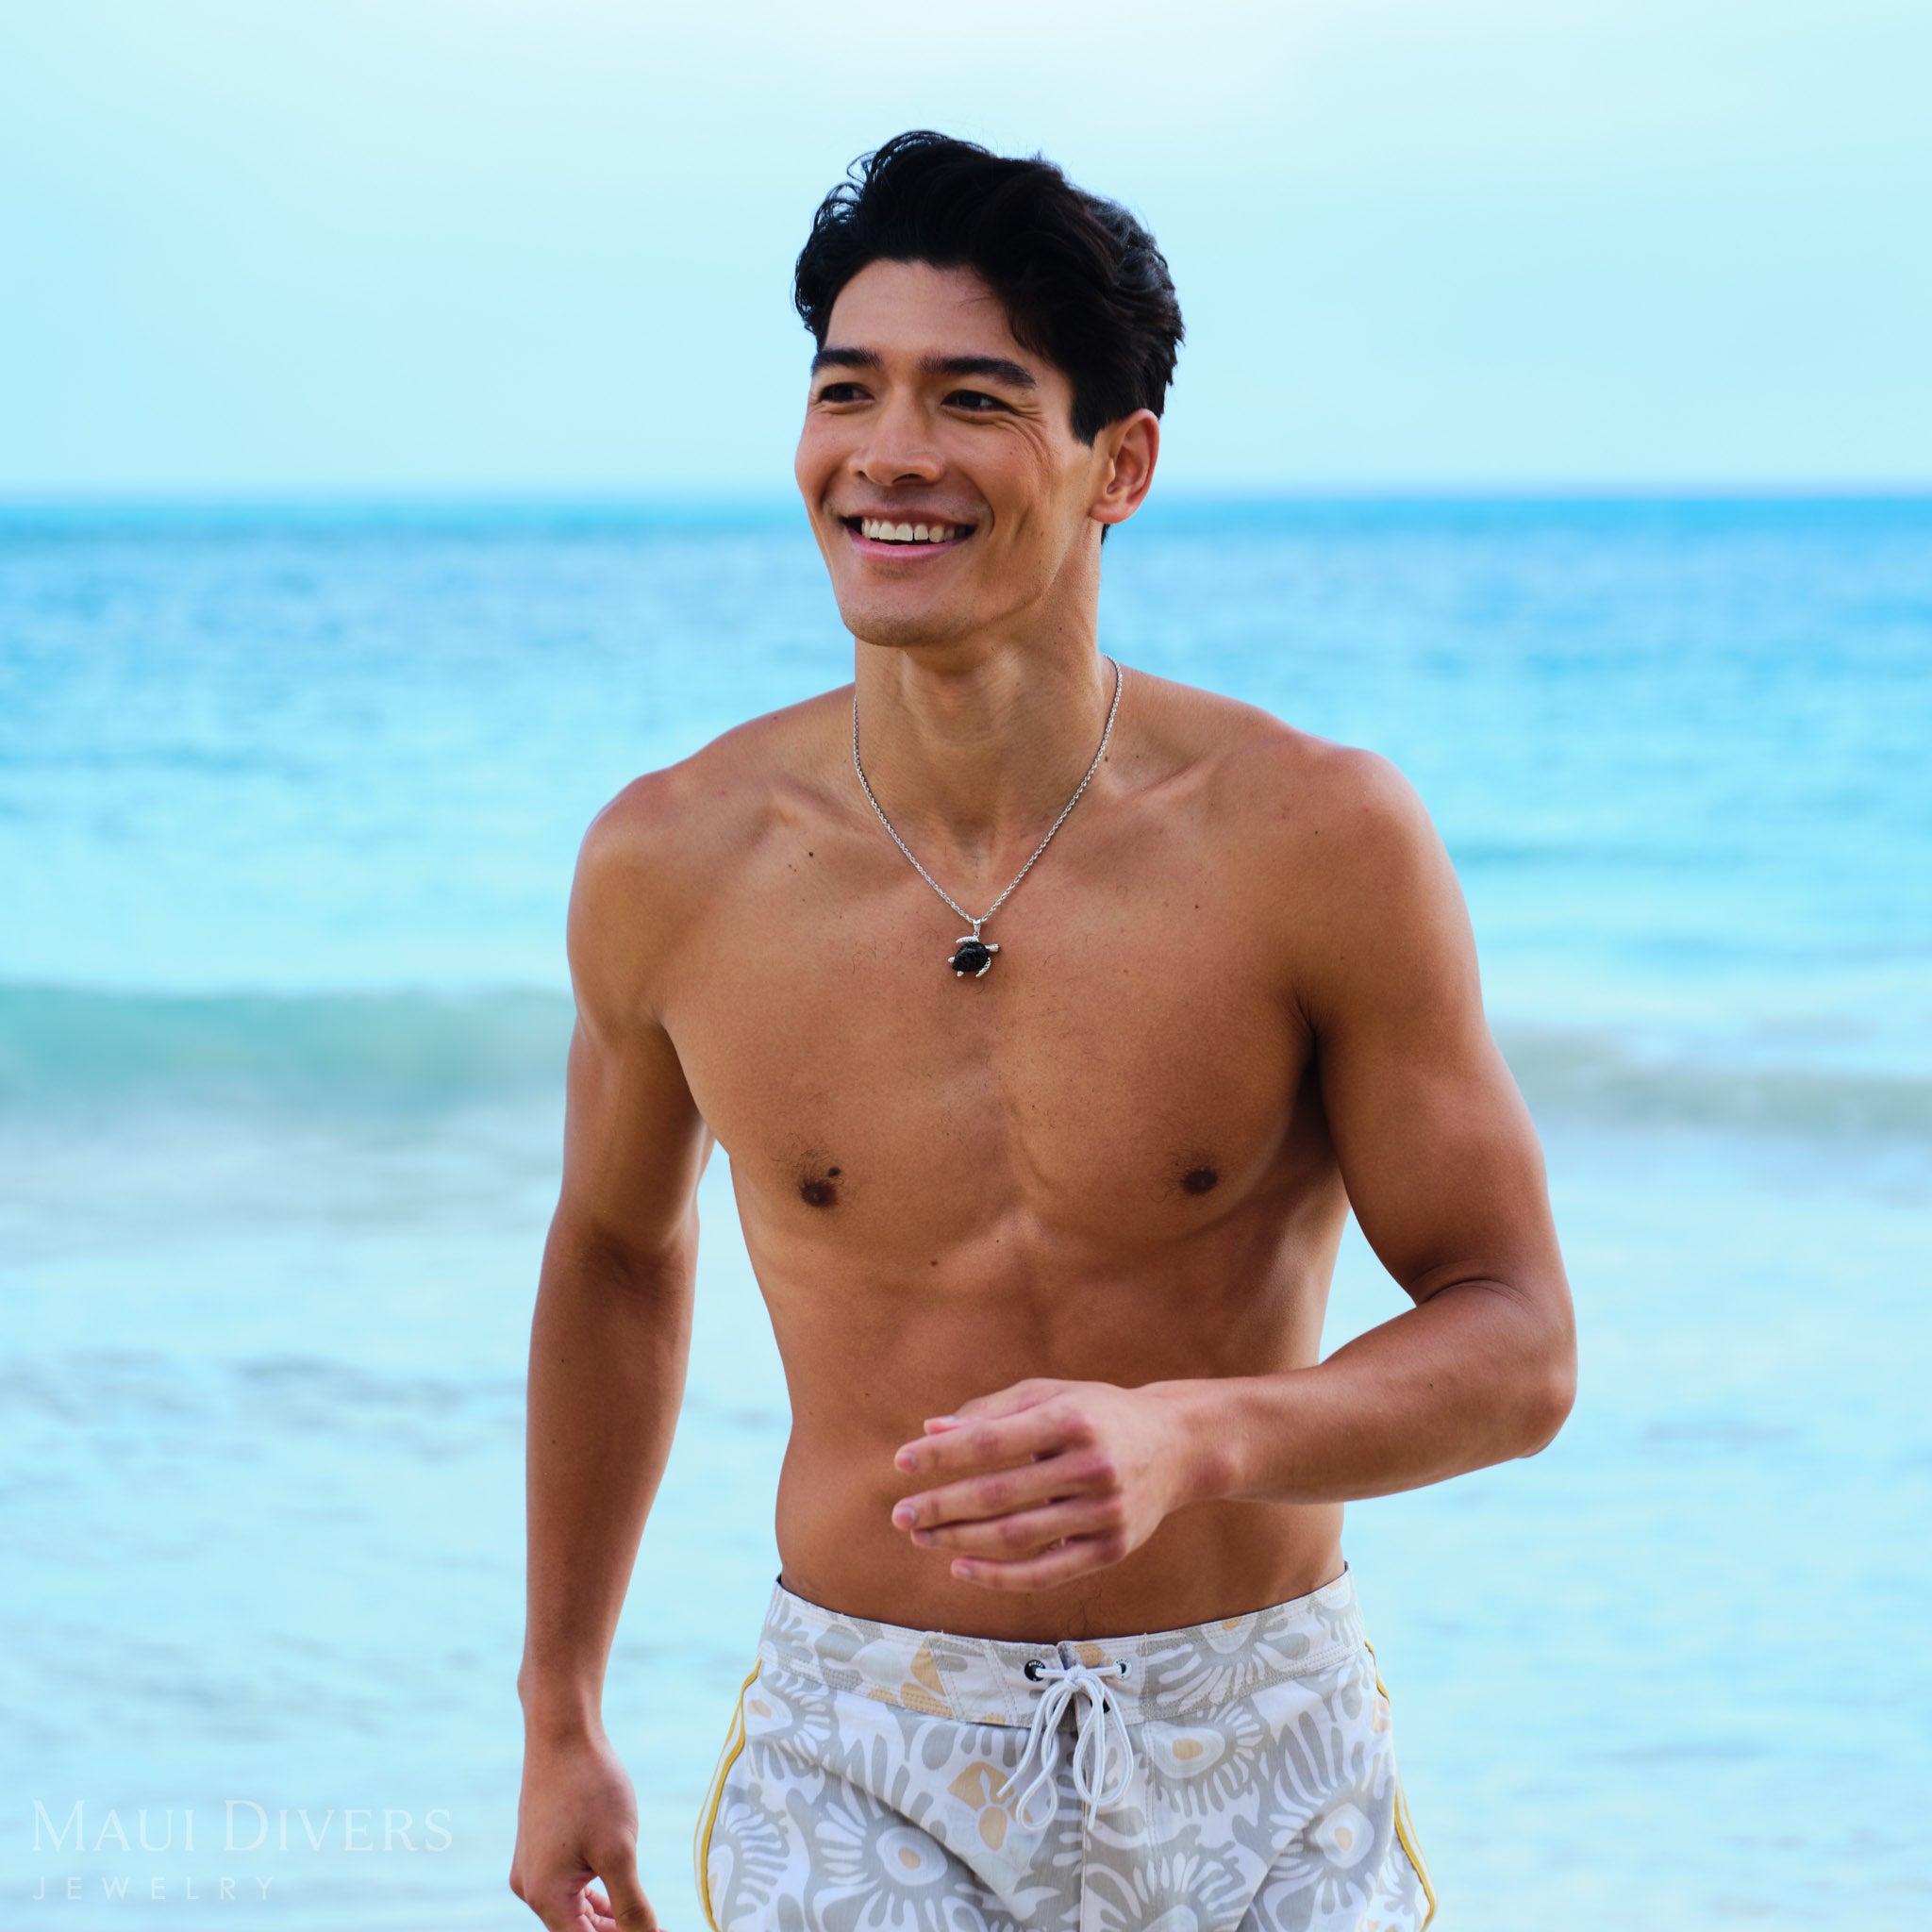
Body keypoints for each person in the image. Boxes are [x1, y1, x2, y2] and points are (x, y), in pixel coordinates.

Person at [508, 130, 1574, 1932]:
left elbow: (1520, 1343)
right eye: (848, 390)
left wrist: (1201, 1438)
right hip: (865, 1751)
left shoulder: (1316, 841)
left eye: (974, 398)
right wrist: (561, 1714)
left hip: (1257, 1744)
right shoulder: (673, 862)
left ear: (1118, 466)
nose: (888, 453)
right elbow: (615, 1257)